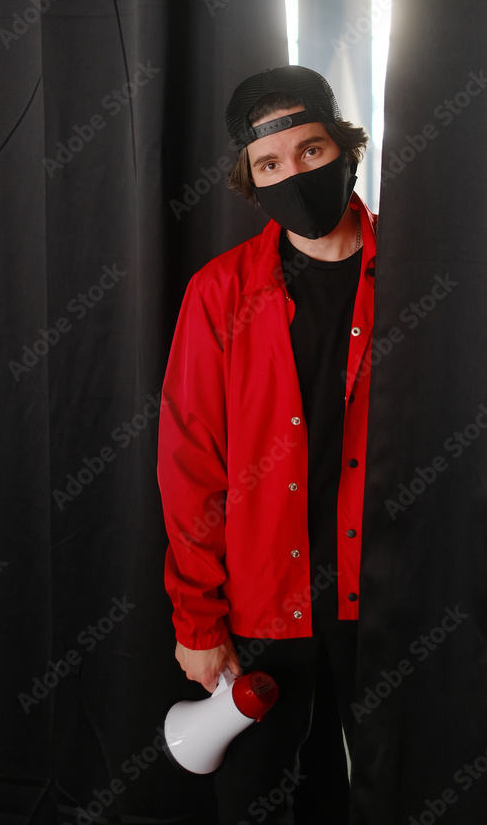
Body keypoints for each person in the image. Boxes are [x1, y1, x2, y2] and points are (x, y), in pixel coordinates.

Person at [158, 65, 375, 823]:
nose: (295, 172)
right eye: (270, 164)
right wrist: (197, 619)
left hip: (384, 597)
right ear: (251, 182)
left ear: (347, 149)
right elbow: (190, 466)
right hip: (261, 603)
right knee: (261, 798)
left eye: (311, 150)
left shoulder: (420, 271)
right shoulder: (219, 293)